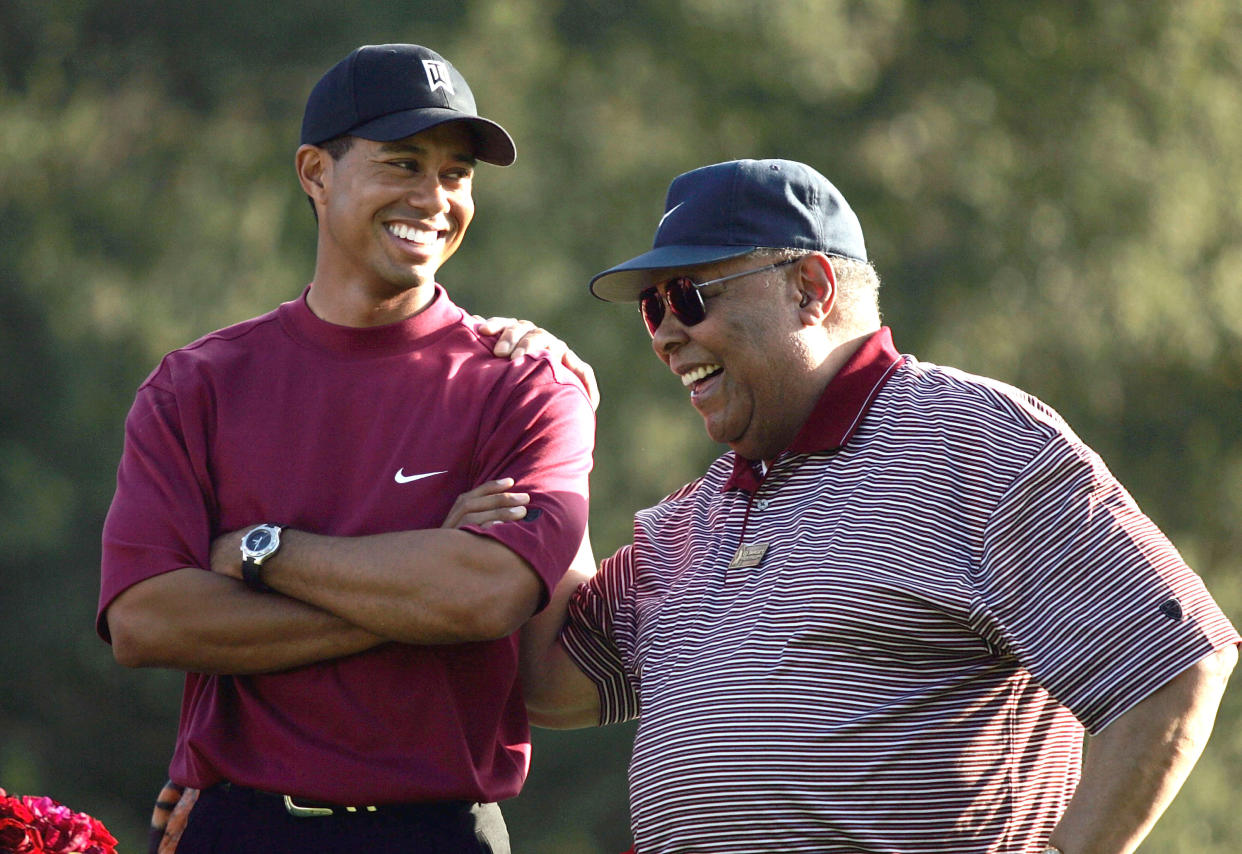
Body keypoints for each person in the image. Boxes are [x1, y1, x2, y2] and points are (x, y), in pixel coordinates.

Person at [518, 158, 1240, 853]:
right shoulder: (689, 517)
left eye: (689, 297)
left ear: (810, 288)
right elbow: (545, 681)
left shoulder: (977, 441)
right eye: (652, 309)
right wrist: (546, 431)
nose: (668, 334)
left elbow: (1178, 664)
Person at [98, 43, 596, 854]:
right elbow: (147, 620)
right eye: (403, 163)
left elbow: (484, 599)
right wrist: (419, 579)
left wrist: (261, 554)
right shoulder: (196, 385)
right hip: (237, 826)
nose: (434, 198)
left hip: (444, 834)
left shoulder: (528, 381)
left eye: (457, 174)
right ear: (314, 173)